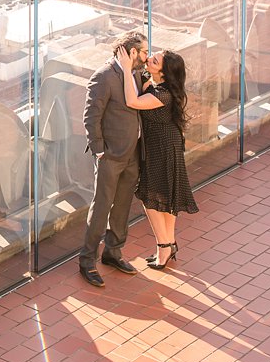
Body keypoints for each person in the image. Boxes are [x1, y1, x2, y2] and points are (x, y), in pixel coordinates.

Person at [78, 30, 147, 287]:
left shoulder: (137, 74)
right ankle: (87, 261)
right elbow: (90, 117)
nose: (146, 56)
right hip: (110, 156)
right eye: (143, 51)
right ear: (131, 52)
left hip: (132, 154)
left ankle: (113, 252)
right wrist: (99, 151)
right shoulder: (104, 77)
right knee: (102, 207)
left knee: (122, 206)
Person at [121, 49, 200, 270]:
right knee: (166, 195)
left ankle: (163, 246)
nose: (149, 59)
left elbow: (132, 101)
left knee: (151, 197)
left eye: (154, 61)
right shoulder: (159, 87)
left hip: (162, 148)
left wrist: (127, 69)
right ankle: (170, 243)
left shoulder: (162, 94)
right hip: (166, 145)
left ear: (164, 73)